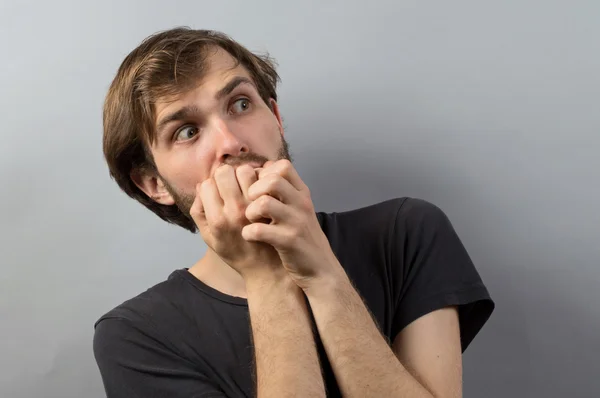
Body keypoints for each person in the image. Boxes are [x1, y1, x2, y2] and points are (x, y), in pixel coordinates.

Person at [93, 27, 495, 398]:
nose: (231, 142)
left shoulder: (406, 233)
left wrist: (322, 274)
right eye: (187, 131)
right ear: (154, 184)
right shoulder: (135, 336)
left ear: (277, 118)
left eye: (240, 103)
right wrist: (267, 276)